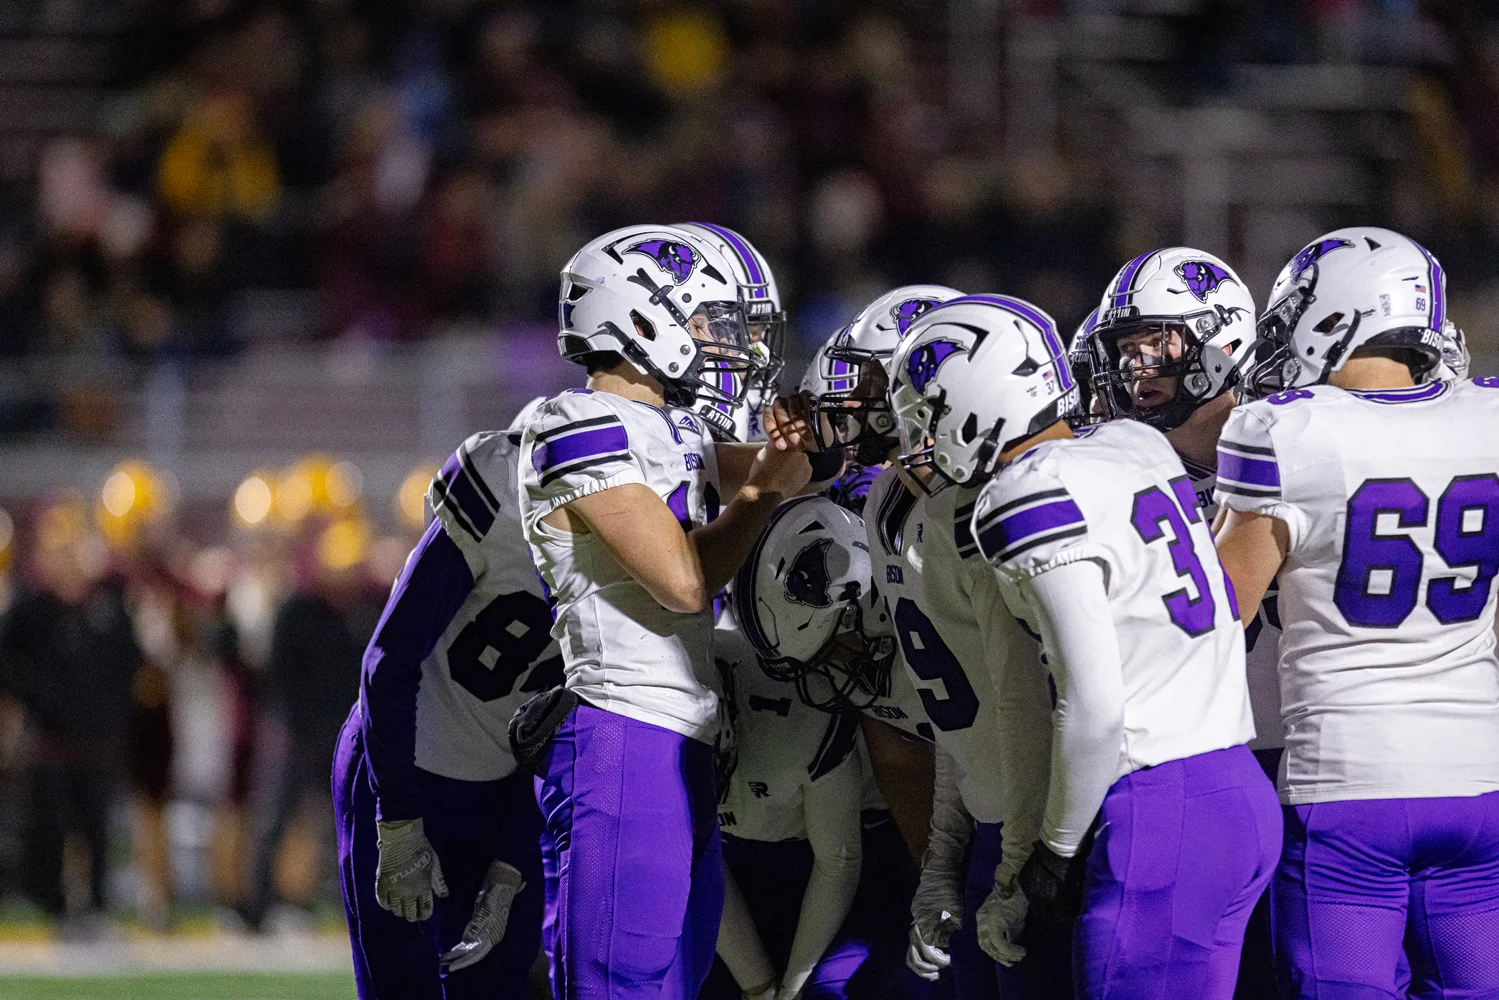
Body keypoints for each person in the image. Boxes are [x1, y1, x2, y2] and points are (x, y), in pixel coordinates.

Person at [887, 293, 1279, 997]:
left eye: (927, 414)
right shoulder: (1133, 443)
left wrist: (1046, 858)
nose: (922, 441)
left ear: (978, 398)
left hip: (1155, 801)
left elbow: (1090, 705)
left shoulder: (1020, 496)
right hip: (1236, 790)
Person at [517, 224, 812, 999]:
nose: (728, 345)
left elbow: (804, 471)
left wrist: (831, 437)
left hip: (679, 738)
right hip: (619, 735)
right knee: (620, 985)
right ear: (640, 318)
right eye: (712, 323)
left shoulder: (675, 426)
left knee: (677, 982)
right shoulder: (570, 425)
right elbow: (682, 581)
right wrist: (760, 493)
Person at [1213, 227, 1499, 999]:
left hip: (1344, 783)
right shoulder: (1490, 417)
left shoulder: (1286, 429)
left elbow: (1218, 613)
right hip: (1478, 780)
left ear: (1335, 316)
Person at [1080, 247, 1284, 997]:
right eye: (1124, 349)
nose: (1137, 366)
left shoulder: (1290, 440)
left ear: (1220, 336)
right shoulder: (1114, 463)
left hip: (1294, 753)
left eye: (1156, 343)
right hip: (1185, 761)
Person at [332, 400, 553, 1000]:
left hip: (507, 789)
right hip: (406, 765)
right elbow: (387, 659)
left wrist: (512, 860)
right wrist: (399, 816)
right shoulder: (510, 493)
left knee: (497, 985)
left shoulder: (653, 533)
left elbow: (571, 723)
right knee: (402, 986)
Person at [724, 495, 929, 1000]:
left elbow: (841, 861)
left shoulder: (932, 609)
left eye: (837, 643)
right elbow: (899, 760)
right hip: (922, 817)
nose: (831, 670)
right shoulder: (822, 675)